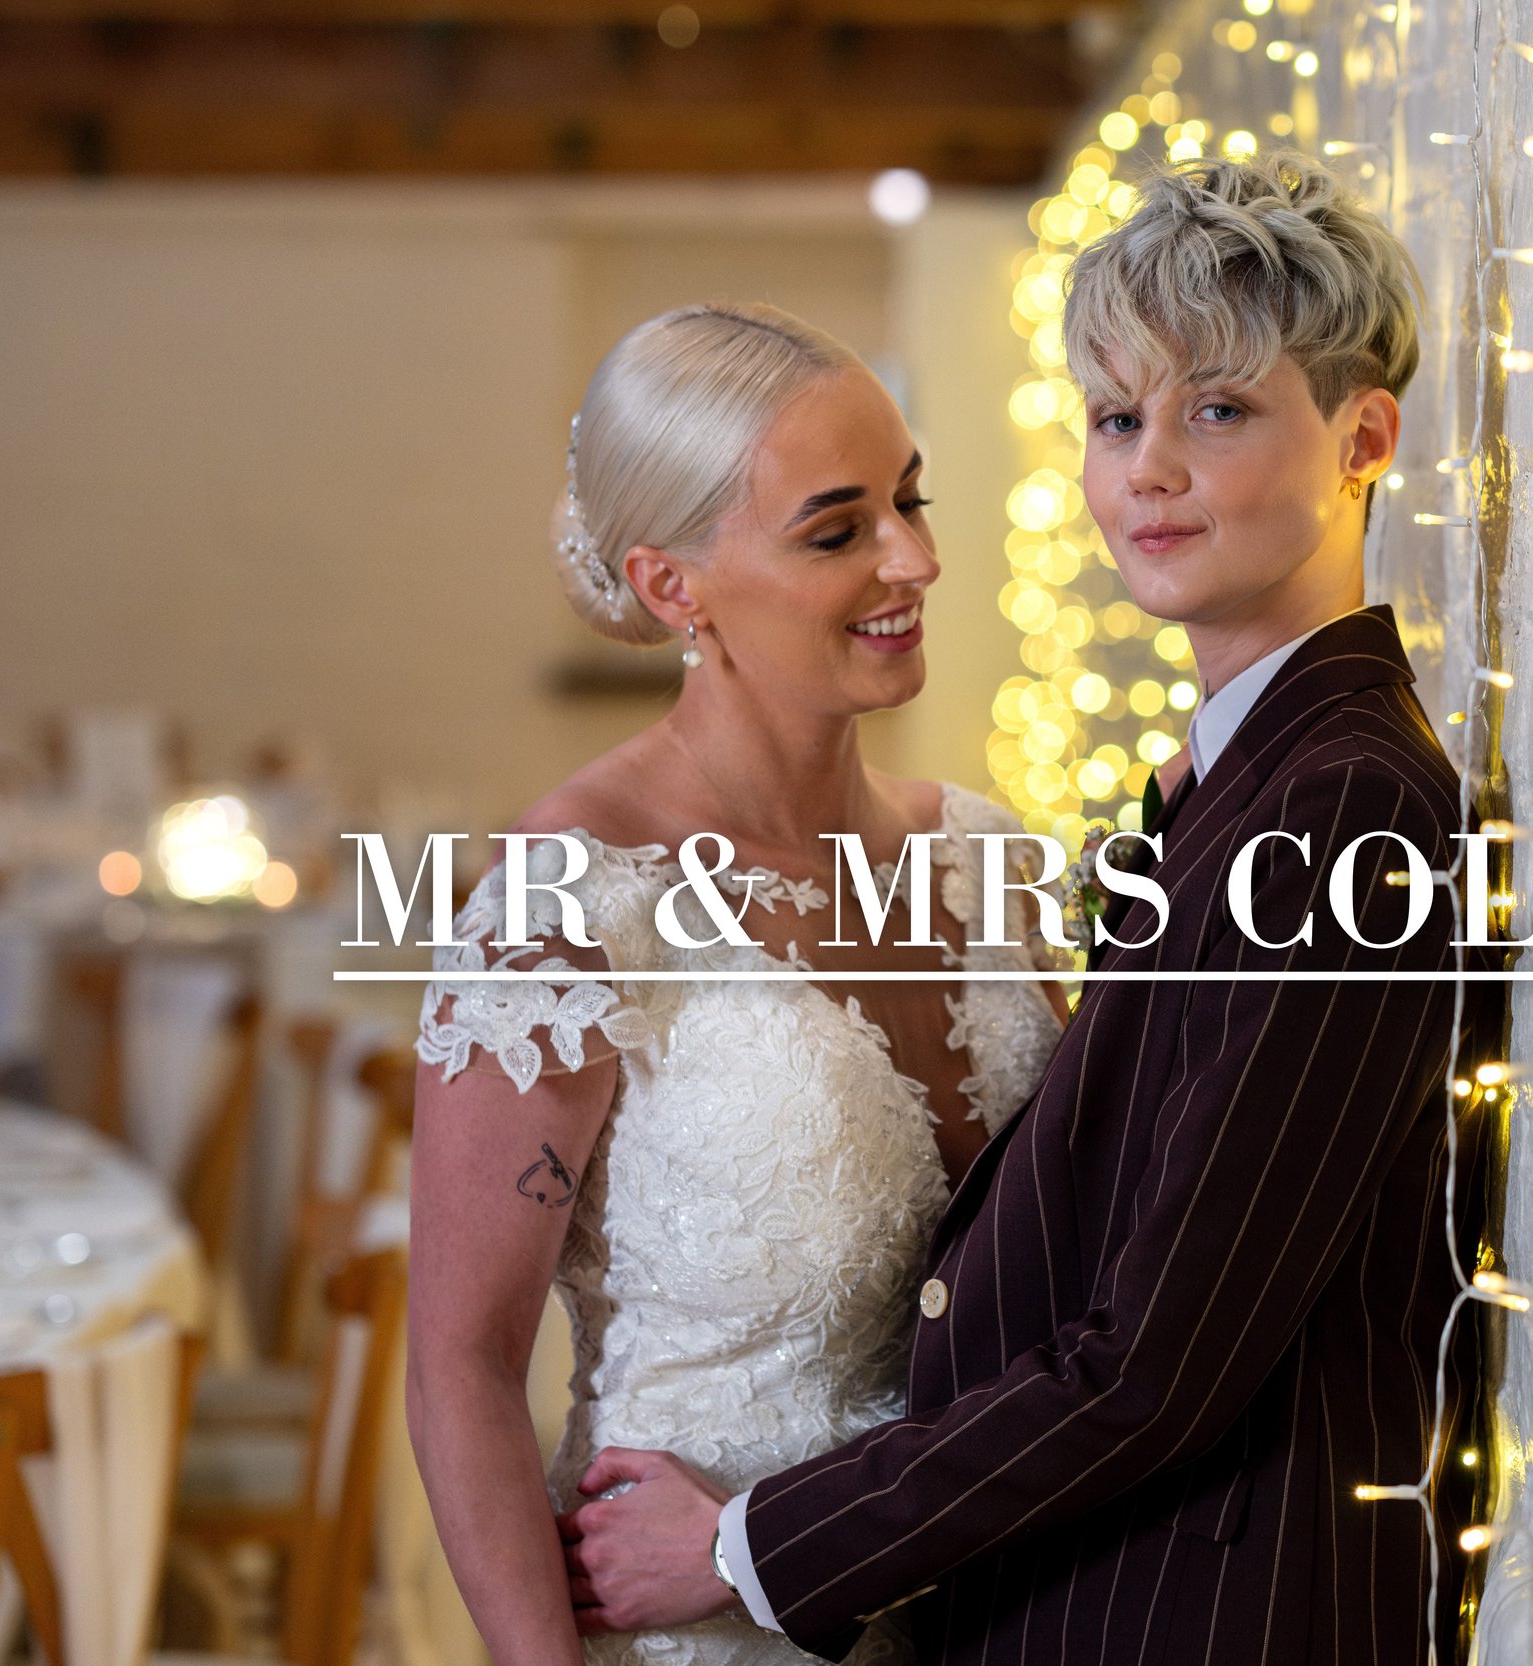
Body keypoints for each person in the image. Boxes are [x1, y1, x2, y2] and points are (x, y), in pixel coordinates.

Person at [566, 154, 1498, 1666]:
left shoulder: (1347, 806)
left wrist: (746, 1544)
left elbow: (1163, 1360)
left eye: (1220, 410)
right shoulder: (1237, 774)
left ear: (1362, 439)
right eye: (1119, 418)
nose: (1151, 470)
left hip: (1196, 1622)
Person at [404, 302, 1069, 1666]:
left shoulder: (990, 861)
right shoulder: (570, 902)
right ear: (672, 585)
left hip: (1009, 1618)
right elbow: (461, 1365)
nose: (916, 558)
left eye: (908, 499)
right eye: (837, 531)